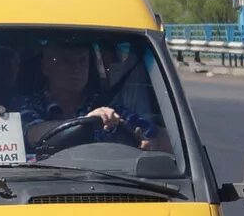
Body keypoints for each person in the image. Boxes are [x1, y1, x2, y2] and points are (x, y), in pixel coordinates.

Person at [17, 41, 157, 152]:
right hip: (43, 180)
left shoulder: (105, 106)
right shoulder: (27, 103)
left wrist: (147, 143)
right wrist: (85, 122)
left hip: (108, 180)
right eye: (66, 60)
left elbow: (159, 138)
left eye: (82, 60)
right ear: (45, 67)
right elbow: (33, 134)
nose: (76, 68)